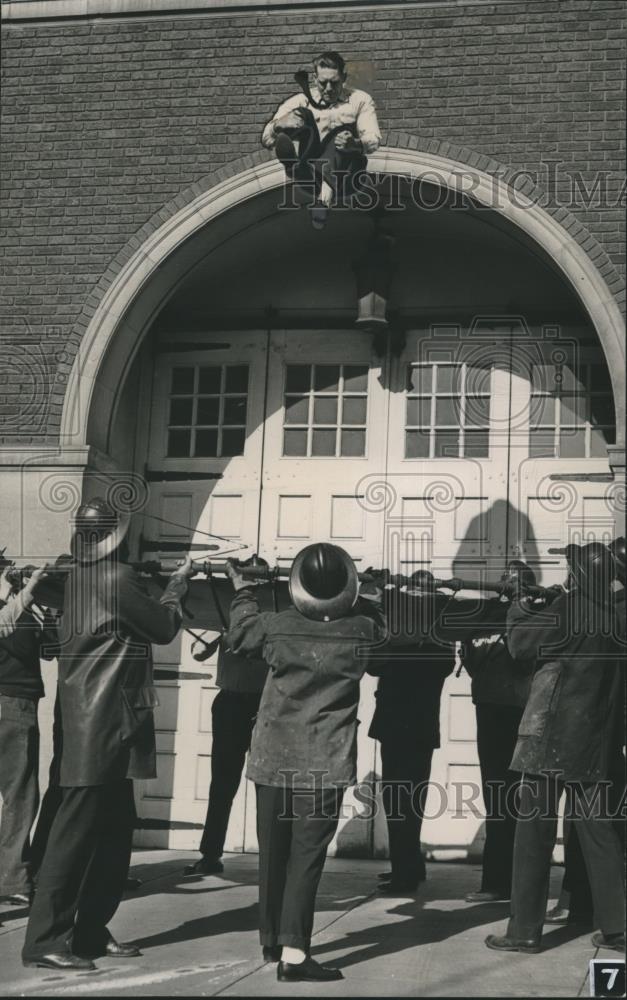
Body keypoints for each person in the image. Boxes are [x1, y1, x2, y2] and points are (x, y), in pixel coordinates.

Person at [22, 497, 194, 972]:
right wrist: (176, 587)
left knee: (114, 836)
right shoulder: (116, 580)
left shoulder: (75, 579)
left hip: (103, 723)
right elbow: (162, 628)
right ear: (117, 538)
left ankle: (91, 930)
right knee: (73, 840)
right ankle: (44, 942)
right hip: (102, 726)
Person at [224, 542, 385, 983]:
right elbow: (383, 639)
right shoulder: (361, 631)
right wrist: (372, 597)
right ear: (344, 587)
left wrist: (243, 590)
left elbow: (239, 634)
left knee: (272, 854)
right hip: (324, 761)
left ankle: (272, 940)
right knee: (305, 859)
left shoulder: (275, 627)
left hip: (272, 758)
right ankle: (294, 955)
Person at [485, 542, 626, 956]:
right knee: (599, 834)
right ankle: (617, 929)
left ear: (579, 575)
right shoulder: (613, 616)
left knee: (533, 837)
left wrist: (517, 606)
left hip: (548, 738)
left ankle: (524, 931)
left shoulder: (568, 609)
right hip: (592, 743)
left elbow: (520, 647)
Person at [368, 582, 456, 895]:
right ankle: (408, 867)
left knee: (399, 802)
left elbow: (372, 663)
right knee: (409, 802)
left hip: (399, 729)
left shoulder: (403, 641)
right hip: (417, 731)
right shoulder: (438, 641)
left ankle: (405, 872)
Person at [462, 563, 538, 903]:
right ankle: (497, 882)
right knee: (497, 795)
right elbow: (471, 659)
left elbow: (526, 659)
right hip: (491, 711)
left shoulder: (536, 616)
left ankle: (508, 883)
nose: (507, 588)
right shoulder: (486, 615)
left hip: (522, 711)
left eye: (513, 584)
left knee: (522, 799)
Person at [262, 50, 381, 228]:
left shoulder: (359, 100)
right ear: (315, 80)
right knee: (301, 115)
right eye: (323, 83)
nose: (328, 89)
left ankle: (324, 196)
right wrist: (278, 124)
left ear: (344, 78)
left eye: (334, 83)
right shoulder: (302, 99)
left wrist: (355, 144)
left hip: (346, 176)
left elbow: (373, 139)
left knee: (341, 132)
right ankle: (293, 161)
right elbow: (267, 139)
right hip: (309, 174)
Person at [183, 643, 268, 877]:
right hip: (231, 702)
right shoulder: (223, 613)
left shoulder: (277, 613)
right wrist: (220, 631)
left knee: (269, 783)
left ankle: (274, 858)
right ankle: (210, 855)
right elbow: (198, 651)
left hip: (269, 702)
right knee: (222, 781)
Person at [0, 561, 57, 906]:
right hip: (11, 704)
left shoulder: (19, 603)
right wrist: (28, 591)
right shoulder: (11, 606)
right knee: (20, 796)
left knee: (19, 795)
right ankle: (13, 879)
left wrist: (45, 610)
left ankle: (13, 874)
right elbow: (10, 632)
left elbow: (51, 650)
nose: (10, 568)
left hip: (19, 703)